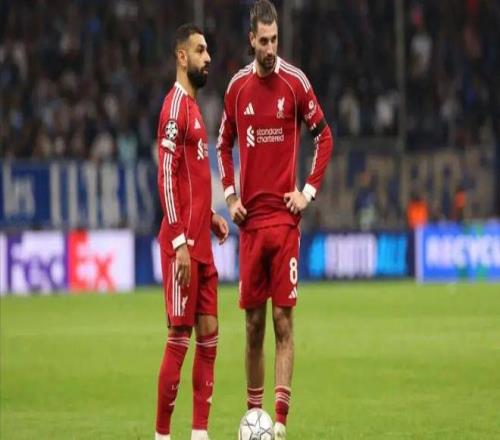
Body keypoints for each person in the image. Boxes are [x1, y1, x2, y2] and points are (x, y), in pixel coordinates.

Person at [216, 1, 334, 438]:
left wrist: (307, 192)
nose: (270, 49)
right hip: (250, 227)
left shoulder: (295, 83)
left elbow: (325, 137)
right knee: (252, 326)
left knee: (283, 322)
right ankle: (255, 419)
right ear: (251, 40)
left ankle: (278, 424)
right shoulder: (237, 88)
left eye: (275, 40)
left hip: (284, 224)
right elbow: (222, 142)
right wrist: (229, 195)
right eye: (263, 41)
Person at [155, 23, 229, 440]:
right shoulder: (174, 108)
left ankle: (199, 433)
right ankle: (162, 435)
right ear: (182, 57)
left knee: (209, 335)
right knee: (179, 335)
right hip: (182, 246)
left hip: (202, 244)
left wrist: (210, 215)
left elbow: (192, 180)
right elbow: (166, 175)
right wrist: (180, 240)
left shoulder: (195, 110)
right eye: (200, 50)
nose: (208, 57)